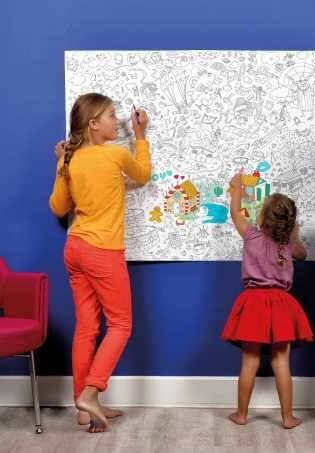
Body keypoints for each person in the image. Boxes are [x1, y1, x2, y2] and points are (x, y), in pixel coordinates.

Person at [49, 93, 151, 433]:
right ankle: (91, 393)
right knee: (120, 325)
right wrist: (140, 135)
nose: (117, 120)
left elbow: (58, 207)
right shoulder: (116, 153)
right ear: (94, 124)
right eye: (111, 115)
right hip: (102, 251)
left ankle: (83, 408)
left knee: (87, 328)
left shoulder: (71, 159)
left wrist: (60, 165)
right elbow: (143, 174)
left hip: (75, 249)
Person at [221, 172, 313, 429]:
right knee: (281, 362)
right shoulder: (289, 246)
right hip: (282, 305)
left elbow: (235, 212)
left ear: (262, 218)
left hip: (253, 304)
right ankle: (287, 417)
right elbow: (304, 255)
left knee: (250, 362)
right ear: (288, 224)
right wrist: (294, 235)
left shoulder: (251, 236)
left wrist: (237, 188)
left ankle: (241, 414)